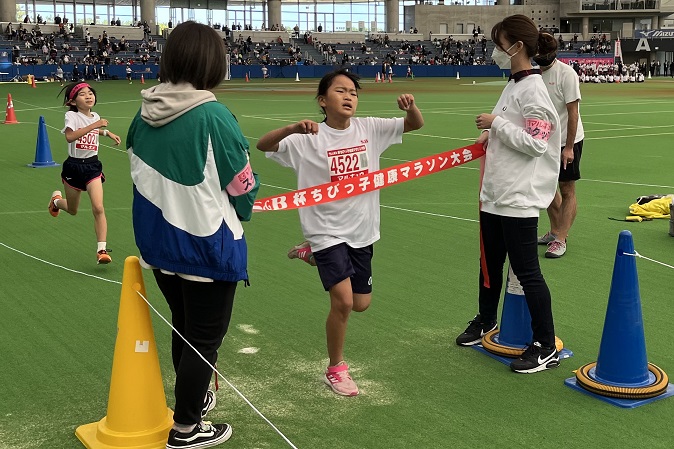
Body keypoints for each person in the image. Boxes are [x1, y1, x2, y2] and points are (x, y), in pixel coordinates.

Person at [127, 21, 259, 449]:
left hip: (160, 245)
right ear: (213, 63)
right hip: (207, 243)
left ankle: (194, 402)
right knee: (203, 338)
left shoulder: (142, 114)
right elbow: (242, 184)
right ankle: (185, 429)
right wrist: (245, 205)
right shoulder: (213, 114)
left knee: (184, 328)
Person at [256, 69, 424, 396]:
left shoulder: (369, 129)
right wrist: (292, 128)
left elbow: (414, 124)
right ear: (323, 100)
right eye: (340, 91)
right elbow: (263, 145)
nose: (349, 97)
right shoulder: (308, 137)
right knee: (344, 303)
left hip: (362, 229)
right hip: (324, 230)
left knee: (361, 303)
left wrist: (410, 107)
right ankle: (336, 368)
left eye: (353, 92)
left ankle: (311, 255)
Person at [454, 14, 562, 374]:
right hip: (495, 194)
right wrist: (492, 135)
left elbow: (536, 143)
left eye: (499, 43)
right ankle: (486, 320)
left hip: (518, 197)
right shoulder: (513, 85)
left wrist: (496, 124)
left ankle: (546, 345)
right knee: (490, 265)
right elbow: (514, 130)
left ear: (516, 46)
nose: (495, 50)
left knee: (528, 273)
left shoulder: (533, 89)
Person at [48, 83, 121, 264]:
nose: (88, 96)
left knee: (98, 207)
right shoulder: (71, 115)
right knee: (72, 210)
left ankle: (101, 250)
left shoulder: (95, 116)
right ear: (73, 101)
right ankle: (56, 201)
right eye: (82, 94)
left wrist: (106, 133)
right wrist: (97, 124)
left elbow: (93, 130)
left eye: (90, 93)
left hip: (92, 166)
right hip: (73, 167)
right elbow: (70, 136)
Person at [534, 35, 585, 258]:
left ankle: (561, 238)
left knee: (567, 189)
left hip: (567, 140)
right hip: (543, 141)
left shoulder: (566, 74)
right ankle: (554, 231)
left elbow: (573, 113)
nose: (541, 58)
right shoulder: (533, 75)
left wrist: (569, 147)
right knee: (545, 186)